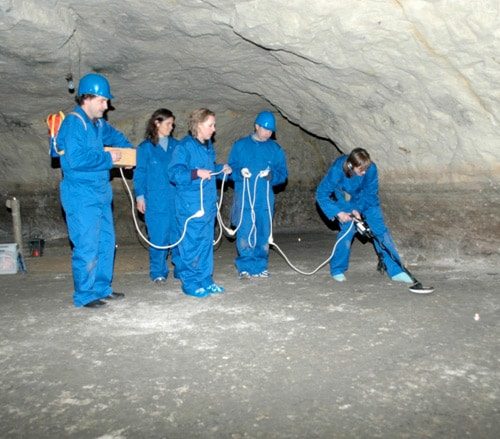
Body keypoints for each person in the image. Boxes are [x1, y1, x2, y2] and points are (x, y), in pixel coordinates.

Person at [57, 73, 133, 308]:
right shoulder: (74, 124)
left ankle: (101, 288)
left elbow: (117, 137)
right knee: (87, 245)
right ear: (87, 98)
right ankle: (85, 294)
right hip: (80, 195)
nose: (106, 105)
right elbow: (76, 159)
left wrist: (128, 154)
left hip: (100, 193)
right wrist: (109, 158)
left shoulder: (99, 124)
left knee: (106, 243)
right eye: (102, 100)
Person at [316, 147, 413, 283]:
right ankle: (337, 269)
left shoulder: (371, 169)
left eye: (366, 169)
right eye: (361, 170)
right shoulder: (338, 169)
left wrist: (358, 210)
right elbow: (321, 193)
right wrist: (339, 212)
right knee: (348, 229)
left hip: (366, 201)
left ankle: (396, 270)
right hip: (344, 200)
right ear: (351, 166)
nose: (364, 172)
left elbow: (370, 193)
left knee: (380, 231)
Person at [168, 108, 231, 298]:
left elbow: (208, 170)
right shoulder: (184, 147)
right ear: (198, 125)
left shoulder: (207, 146)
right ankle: (190, 282)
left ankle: (205, 279)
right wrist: (195, 173)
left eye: (214, 125)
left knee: (205, 244)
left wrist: (221, 168)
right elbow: (174, 173)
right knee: (191, 244)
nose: (214, 129)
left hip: (207, 205)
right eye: (210, 125)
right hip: (191, 206)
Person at [228, 110, 288, 279]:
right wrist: (240, 172)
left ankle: (260, 266)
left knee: (263, 232)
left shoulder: (275, 149)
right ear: (256, 126)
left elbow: (283, 173)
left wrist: (271, 176)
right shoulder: (240, 146)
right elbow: (230, 169)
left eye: (271, 131)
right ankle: (245, 267)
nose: (268, 133)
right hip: (245, 197)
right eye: (265, 129)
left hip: (265, 199)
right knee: (245, 232)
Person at [134, 109, 179, 284]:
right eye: (168, 123)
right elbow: (140, 173)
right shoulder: (145, 148)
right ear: (157, 123)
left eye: (172, 124)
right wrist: (140, 196)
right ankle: (158, 271)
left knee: (178, 234)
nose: (171, 127)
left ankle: (181, 269)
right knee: (158, 236)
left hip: (176, 198)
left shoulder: (177, 146)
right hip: (155, 200)